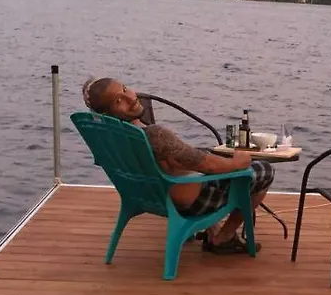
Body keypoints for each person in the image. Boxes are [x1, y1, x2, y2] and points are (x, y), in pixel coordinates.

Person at [81, 76, 272, 254]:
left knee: (202, 155)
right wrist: (237, 162)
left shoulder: (109, 135)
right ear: (107, 111)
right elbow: (209, 166)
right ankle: (224, 237)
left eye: (125, 89)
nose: (130, 97)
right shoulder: (155, 135)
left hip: (148, 196)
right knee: (263, 170)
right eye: (118, 101)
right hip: (189, 202)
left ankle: (212, 230)